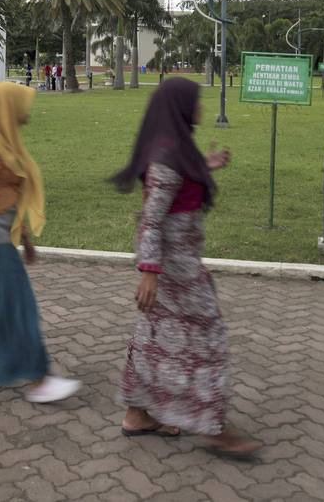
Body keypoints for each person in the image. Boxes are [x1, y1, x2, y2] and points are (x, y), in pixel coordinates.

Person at [111, 78, 263, 458]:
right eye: (196, 103)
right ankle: (214, 428)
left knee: (154, 338)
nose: (201, 109)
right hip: (173, 269)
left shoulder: (175, 148)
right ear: (179, 106)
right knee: (207, 340)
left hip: (178, 264)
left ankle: (137, 413)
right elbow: (151, 219)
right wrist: (149, 271)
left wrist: (206, 164)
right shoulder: (166, 156)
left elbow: (182, 182)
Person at [0, 82, 81, 403]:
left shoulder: (3, 143)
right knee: (19, 310)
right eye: (21, 105)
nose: (27, 113)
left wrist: (25, 238)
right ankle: (38, 381)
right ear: (5, 108)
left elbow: (9, 197)